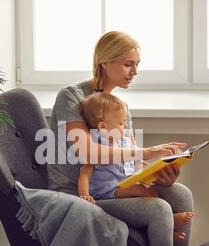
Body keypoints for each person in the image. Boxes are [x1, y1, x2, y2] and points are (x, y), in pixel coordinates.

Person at [48, 30, 195, 246]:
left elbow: (132, 166)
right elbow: (87, 152)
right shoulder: (71, 97)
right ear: (104, 62)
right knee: (159, 208)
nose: (134, 71)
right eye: (128, 64)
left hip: (115, 187)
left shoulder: (120, 108)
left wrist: (160, 175)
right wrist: (149, 152)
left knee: (181, 194)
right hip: (81, 193)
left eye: (137, 64)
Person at [77, 92, 193, 237]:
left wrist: (160, 167)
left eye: (125, 122)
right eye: (120, 123)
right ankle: (169, 223)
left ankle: (165, 225)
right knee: (142, 191)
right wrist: (85, 196)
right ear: (103, 127)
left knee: (149, 191)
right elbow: (84, 174)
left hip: (122, 184)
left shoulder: (123, 142)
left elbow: (137, 162)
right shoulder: (96, 145)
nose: (124, 127)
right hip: (106, 191)